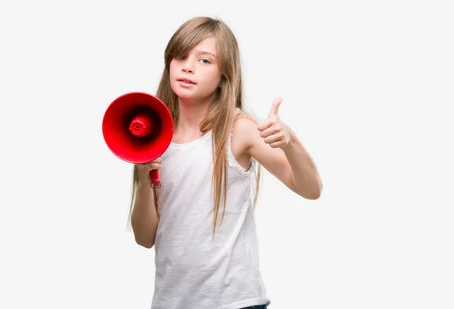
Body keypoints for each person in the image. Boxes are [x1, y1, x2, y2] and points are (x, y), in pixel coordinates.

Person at [128, 16, 322, 309]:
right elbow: (145, 238)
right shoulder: (153, 138)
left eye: (204, 60)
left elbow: (310, 189)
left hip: (235, 302)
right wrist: (144, 178)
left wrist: (290, 141)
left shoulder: (238, 130)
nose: (188, 66)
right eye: (180, 56)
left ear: (224, 75)